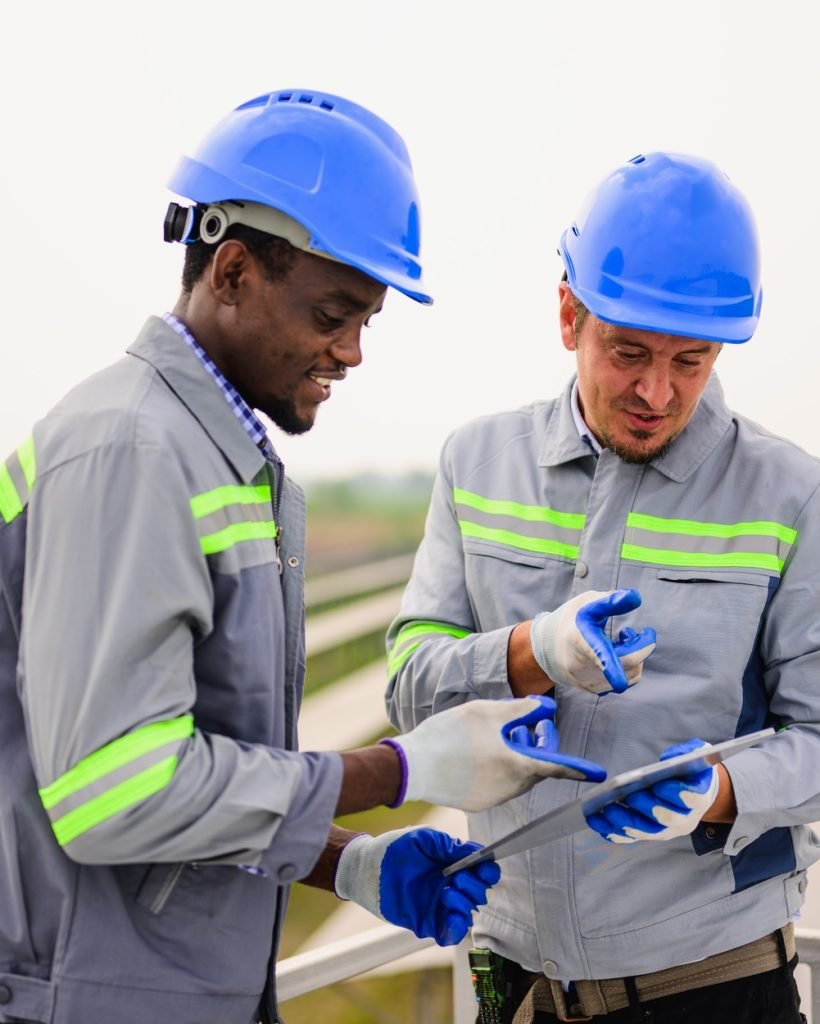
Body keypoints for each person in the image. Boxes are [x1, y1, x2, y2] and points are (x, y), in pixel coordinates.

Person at [0, 89, 611, 1024]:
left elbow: (207, 775)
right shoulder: (130, 452)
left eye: (367, 320)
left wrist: (341, 859)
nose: (353, 351)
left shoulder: (230, 464)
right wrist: (399, 772)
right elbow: (113, 793)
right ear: (234, 271)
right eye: (334, 313)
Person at [386, 151, 818, 1023]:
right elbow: (406, 689)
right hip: (517, 987)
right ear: (567, 315)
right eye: (628, 353)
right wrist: (527, 654)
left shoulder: (789, 495)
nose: (659, 393)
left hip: (715, 988)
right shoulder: (477, 466)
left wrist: (720, 793)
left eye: (691, 361)